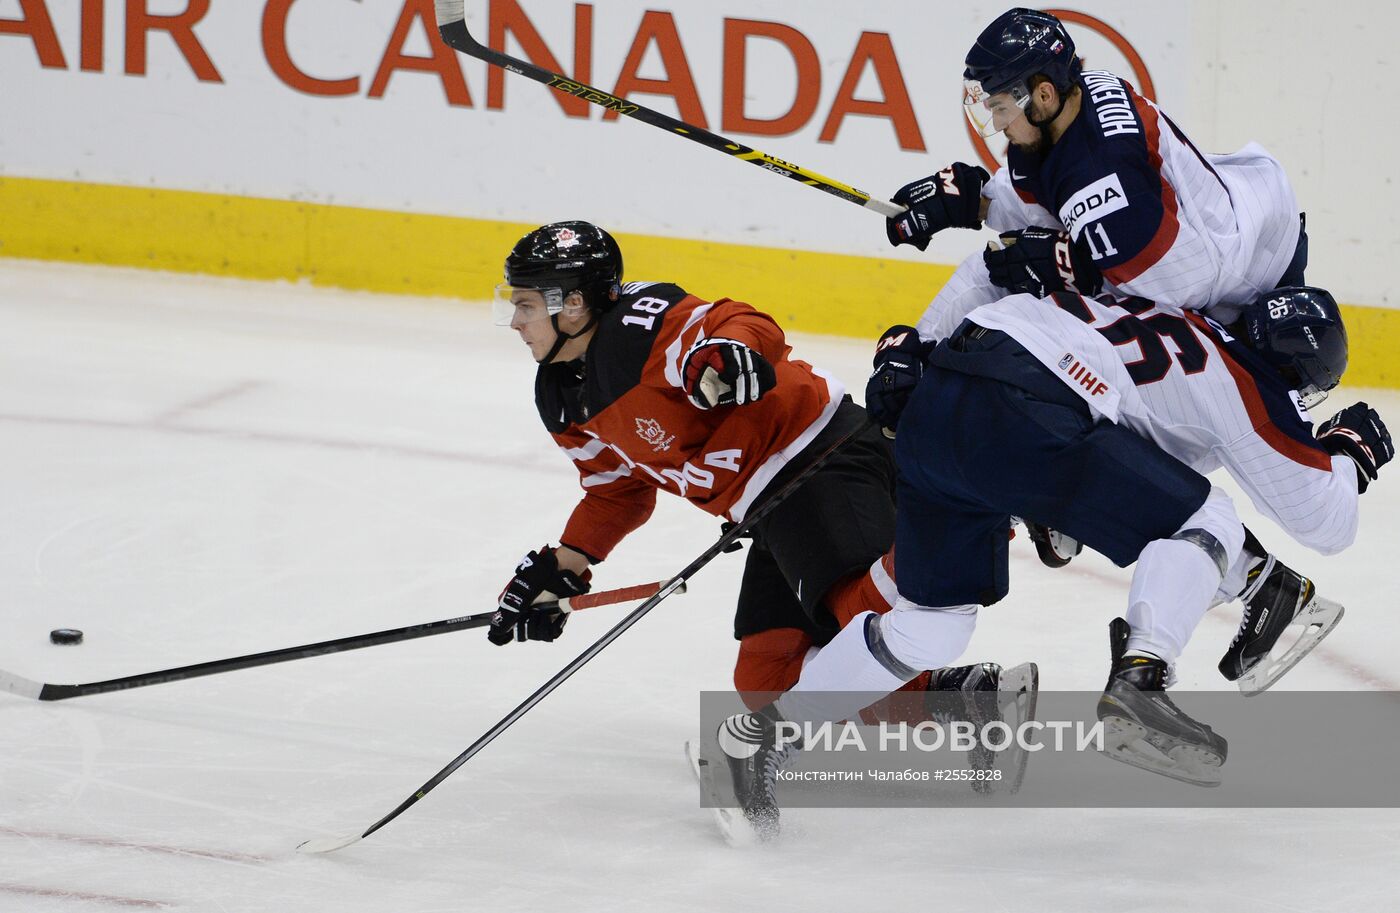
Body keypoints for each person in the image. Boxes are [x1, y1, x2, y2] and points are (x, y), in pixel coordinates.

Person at [719, 283, 1390, 827]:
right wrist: (1349, 452)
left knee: (929, 625)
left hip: (945, 394)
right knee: (1205, 517)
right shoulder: (1244, 385)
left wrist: (911, 342)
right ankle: (1141, 680)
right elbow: (1321, 519)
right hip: (1024, 405)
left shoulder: (1162, 305)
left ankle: (757, 739)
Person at [487, 220, 1031, 759]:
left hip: (819, 456)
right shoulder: (560, 398)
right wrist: (565, 563)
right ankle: (975, 703)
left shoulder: (637, 328)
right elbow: (617, 490)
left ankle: (973, 511)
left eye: (527, 305)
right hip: (766, 506)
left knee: (865, 608)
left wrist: (729, 350)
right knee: (767, 682)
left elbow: (744, 322)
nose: (515, 321)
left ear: (576, 304)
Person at [885, 8, 1307, 328]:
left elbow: (1187, 287)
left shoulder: (1105, 180)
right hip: (1235, 207)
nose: (996, 123)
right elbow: (1054, 193)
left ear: (1044, 94)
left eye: (1000, 107)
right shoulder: (1068, 112)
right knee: (998, 269)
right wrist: (975, 201)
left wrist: (1076, 269)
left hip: (1251, 275)